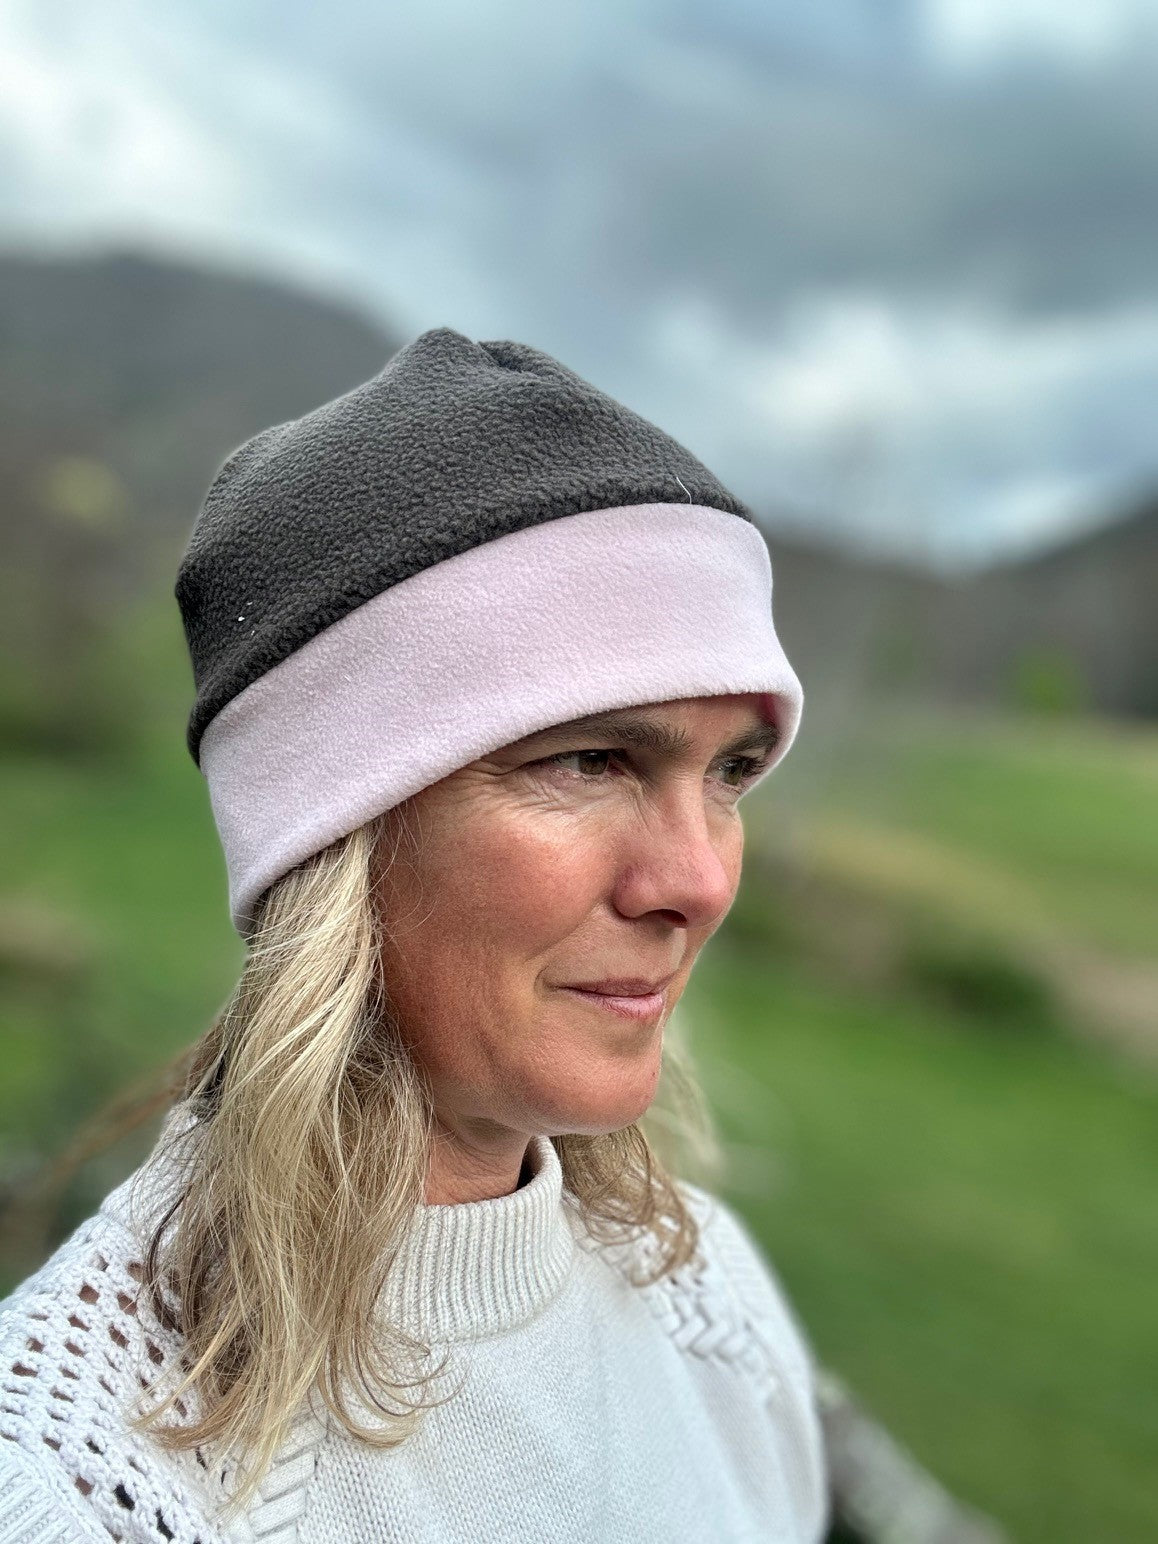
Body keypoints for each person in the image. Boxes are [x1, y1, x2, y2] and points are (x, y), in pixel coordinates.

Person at [0, 327, 829, 1542]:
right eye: (591, 758)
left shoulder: (713, 1303)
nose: (697, 879)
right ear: (328, 835)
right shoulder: (86, 1483)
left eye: (732, 771)